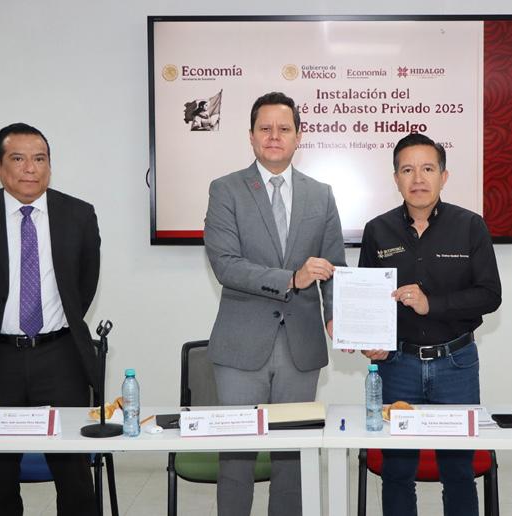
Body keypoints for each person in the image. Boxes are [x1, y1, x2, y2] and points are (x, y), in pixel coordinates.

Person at [203, 92, 346, 516]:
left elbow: (335, 265)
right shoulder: (225, 189)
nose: (274, 136)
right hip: (240, 346)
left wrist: (338, 317)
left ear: (299, 136)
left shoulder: (321, 195)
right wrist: (291, 279)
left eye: (284, 128)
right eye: (264, 128)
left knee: (294, 458)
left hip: (301, 346)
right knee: (236, 457)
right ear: (250, 136)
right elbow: (226, 265)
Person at [357, 133, 501, 516]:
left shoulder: (471, 226)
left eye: (427, 168)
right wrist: (370, 339)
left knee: (459, 472)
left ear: (443, 176)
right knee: (397, 472)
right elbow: (368, 299)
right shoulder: (377, 230)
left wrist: (430, 304)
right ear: (396, 178)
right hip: (397, 367)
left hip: (456, 365)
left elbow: (490, 295)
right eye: (407, 170)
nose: (418, 178)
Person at [0, 123, 100, 516]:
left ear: (50, 166)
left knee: (73, 473)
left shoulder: (78, 215)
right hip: (2, 357)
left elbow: (83, 287)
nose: (30, 168)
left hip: (60, 356)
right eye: (18, 158)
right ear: (1, 167)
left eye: (39, 159)